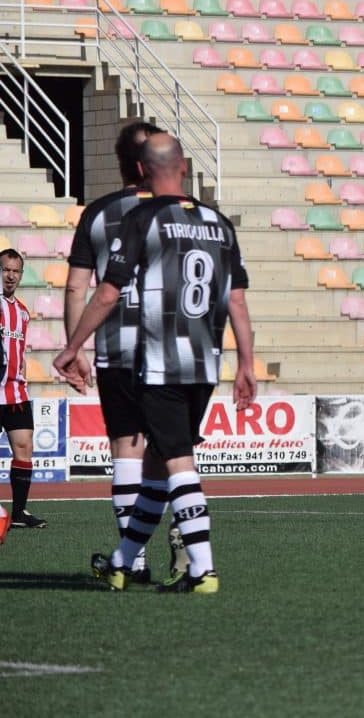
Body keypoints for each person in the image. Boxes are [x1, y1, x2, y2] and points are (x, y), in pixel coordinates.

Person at [56, 133, 256, 594]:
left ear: (142, 171)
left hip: (158, 360)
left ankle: (202, 569)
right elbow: (238, 301)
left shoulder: (141, 217)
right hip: (206, 360)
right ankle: (122, 562)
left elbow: (106, 291)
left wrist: (73, 346)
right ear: (184, 167)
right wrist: (247, 362)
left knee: (176, 462)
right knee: (156, 466)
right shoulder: (218, 222)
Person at [65, 121, 163, 579]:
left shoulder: (98, 213)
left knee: (126, 447)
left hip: (118, 345)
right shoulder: (181, 210)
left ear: (122, 162)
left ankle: (133, 559)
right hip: (175, 347)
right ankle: (187, 541)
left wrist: (74, 347)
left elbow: (75, 287)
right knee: (172, 451)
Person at [0, 249, 42, 530]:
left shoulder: (23, 312)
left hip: (16, 392)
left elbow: (20, 351)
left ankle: (19, 512)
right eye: (6, 270)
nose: (11, 275)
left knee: (24, 447)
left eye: (16, 271)